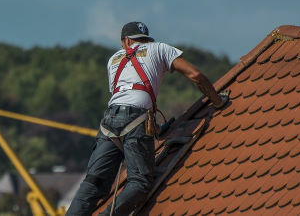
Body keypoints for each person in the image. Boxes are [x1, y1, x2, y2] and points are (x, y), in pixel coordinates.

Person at [66, 22, 228, 215]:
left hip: (109, 121)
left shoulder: (114, 59)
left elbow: (126, 96)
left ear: (126, 41)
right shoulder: (159, 48)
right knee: (140, 182)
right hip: (136, 119)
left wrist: (155, 129)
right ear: (145, 39)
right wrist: (218, 101)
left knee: (94, 182)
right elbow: (196, 75)